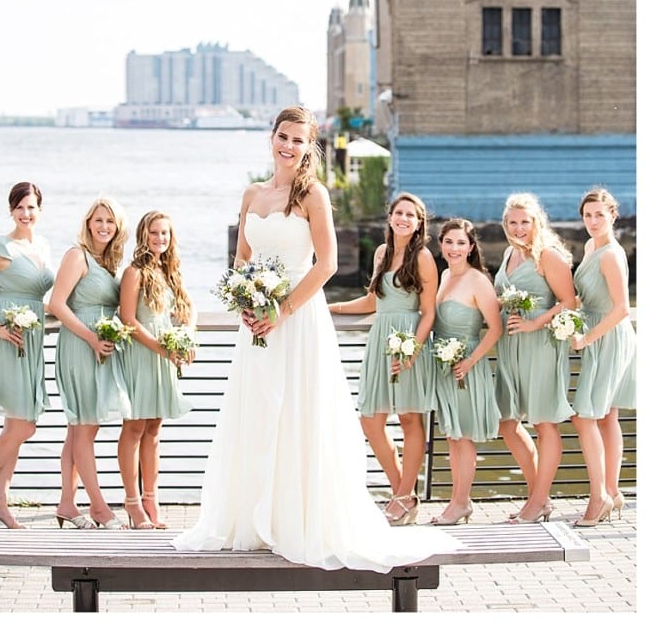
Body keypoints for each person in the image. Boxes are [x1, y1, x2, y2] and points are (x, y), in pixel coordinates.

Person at [172, 106, 459, 568]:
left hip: (298, 319)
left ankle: (297, 520)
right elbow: (242, 257)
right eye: (283, 136)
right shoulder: (252, 194)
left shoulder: (313, 195)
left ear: (309, 147)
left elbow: (326, 264)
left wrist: (282, 309)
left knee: (297, 412)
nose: (288, 146)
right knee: (258, 411)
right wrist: (247, 300)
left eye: (298, 140)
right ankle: (253, 519)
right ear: (271, 138)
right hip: (257, 324)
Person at [328, 192, 437, 525]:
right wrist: (328, 307)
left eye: (410, 215)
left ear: (418, 223)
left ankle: (402, 497)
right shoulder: (381, 253)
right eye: (399, 213)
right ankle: (403, 493)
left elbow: (429, 312)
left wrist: (412, 349)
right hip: (380, 342)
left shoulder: (423, 257)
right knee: (371, 420)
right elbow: (372, 302)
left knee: (409, 419)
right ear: (390, 217)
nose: (403, 219)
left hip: (408, 341)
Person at [0, 182, 53, 529]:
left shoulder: (43, 245)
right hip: (7, 339)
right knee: (24, 426)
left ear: (40, 209)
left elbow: (42, 298)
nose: (25, 214)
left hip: (31, 341)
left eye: (31, 207)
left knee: (16, 425)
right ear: (11, 210)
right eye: (19, 207)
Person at [48, 196, 130, 529]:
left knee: (78, 429)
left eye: (110, 221)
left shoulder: (109, 262)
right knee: (85, 426)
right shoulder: (76, 255)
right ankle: (98, 507)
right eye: (99, 220)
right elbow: (57, 304)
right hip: (80, 346)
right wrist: (91, 338)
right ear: (88, 223)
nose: (104, 226)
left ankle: (67, 504)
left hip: (100, 348)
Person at [494, 193, 576, 524]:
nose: (519, 228)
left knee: (544, 423)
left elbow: (569, 301)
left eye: (525, 222)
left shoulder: (548, 255)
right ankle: (537, 497)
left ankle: (538, 501)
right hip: (510, 346)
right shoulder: (509, 253)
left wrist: (534, 323)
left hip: (540, 345)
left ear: (536, 222)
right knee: (507, 423)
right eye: (513, 222)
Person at [117, 211, 196, 530]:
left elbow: (189, 310)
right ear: (143, 235)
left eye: (165, 233)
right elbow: (128, 319)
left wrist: (187, 336)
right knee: (135, 427)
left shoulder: (170, 271)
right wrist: (163, 349)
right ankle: (132, 502)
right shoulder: (134, 272)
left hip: (165, 356)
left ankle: (152, 499)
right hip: (142, 353)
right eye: (154, 232)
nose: (160, 238)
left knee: (154, 429)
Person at [570, 188, 636, 526]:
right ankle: (613, 489)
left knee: (585, 417)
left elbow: (622, 308)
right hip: (599, 332)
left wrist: (585, 339)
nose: (593, 221)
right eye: (588, 215)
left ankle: (599, 498)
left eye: (599, 214)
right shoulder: (590, 247)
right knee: (607, 415)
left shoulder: (610, 254)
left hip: (608, 337)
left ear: (613, 215)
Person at [430, 218, 502, 525]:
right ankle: (459, 501)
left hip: (466, 366)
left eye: (461, 243)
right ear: (441, 245)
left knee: (463, 438)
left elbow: (495, 329)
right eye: (449, 242)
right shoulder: (444, 275)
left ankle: (460, 503)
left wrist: (469, 362)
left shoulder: (478, 280)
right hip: (443, 366)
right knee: (452, 436)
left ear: (471, 247)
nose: (454, 248)